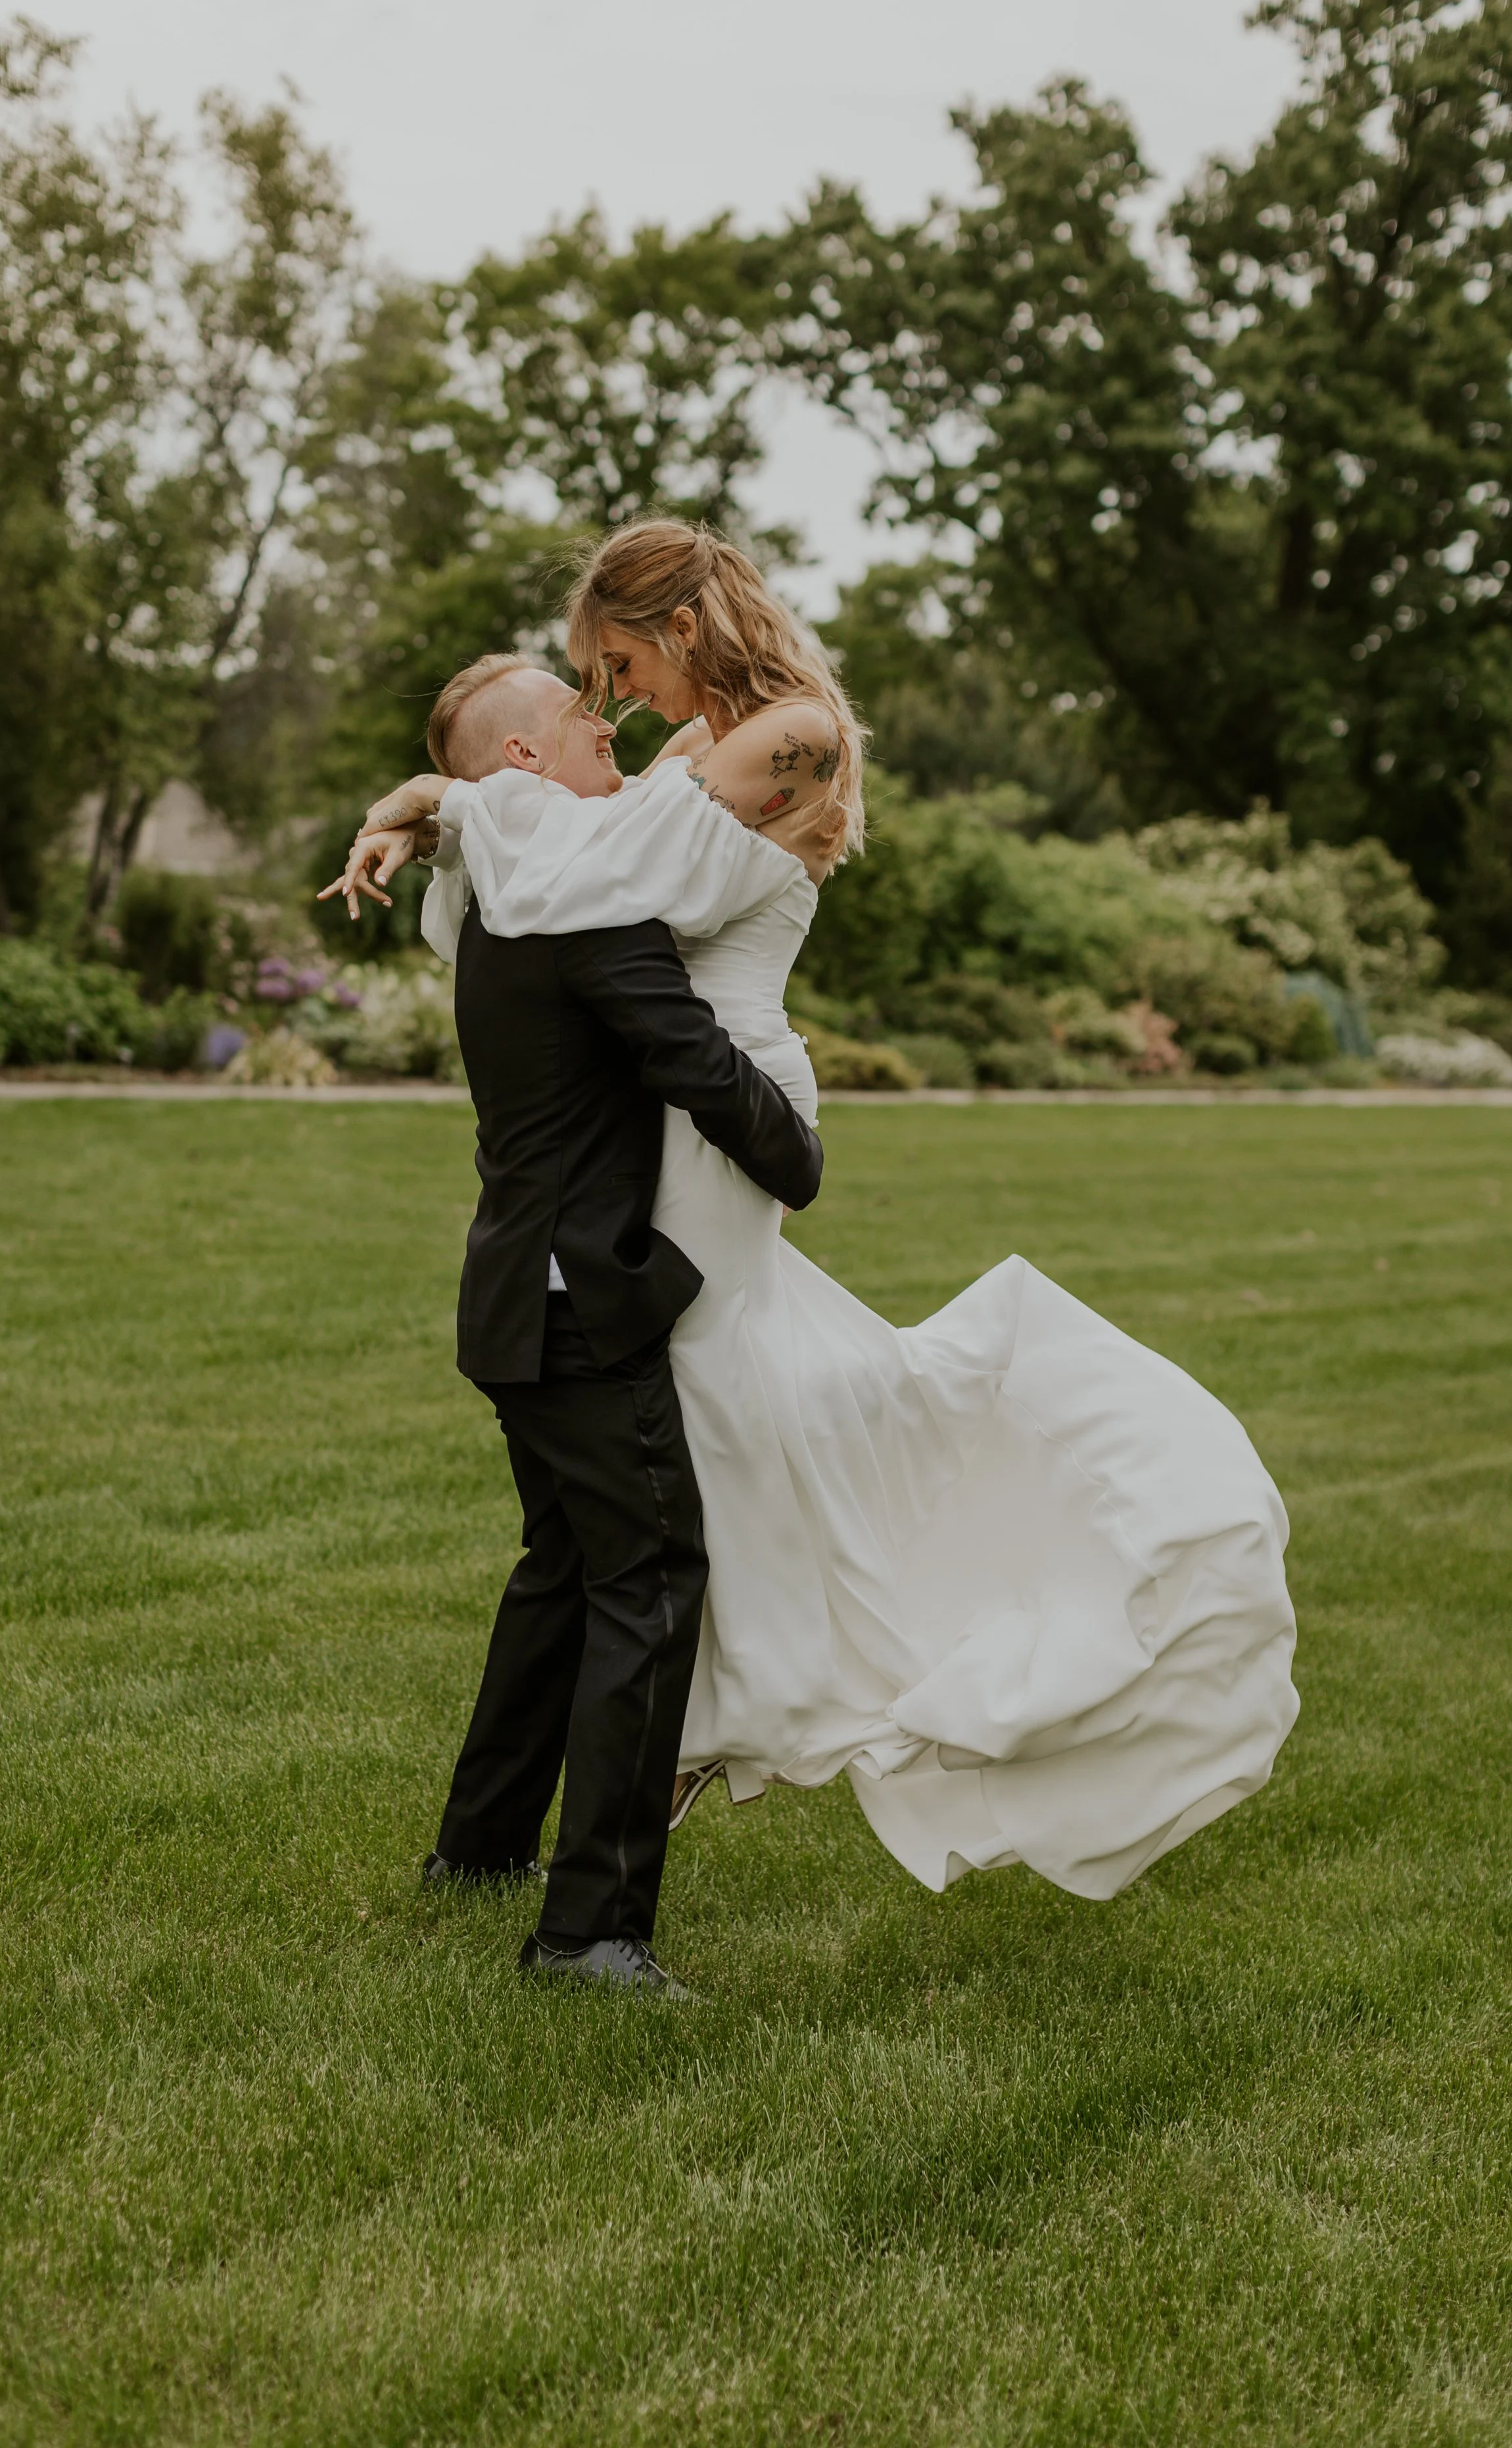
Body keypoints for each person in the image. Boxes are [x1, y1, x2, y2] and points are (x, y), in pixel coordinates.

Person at [336, 518, 1299, 1925]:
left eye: (616, 663)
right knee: (668, 1464)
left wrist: (451, 797)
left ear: (676, 622)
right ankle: (652, 1756)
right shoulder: (685, 753)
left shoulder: (787, 732)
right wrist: (437, 792)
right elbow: (573, 847)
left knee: (695, 1434)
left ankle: (688, 1733)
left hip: (721, 1101)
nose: (614, 698)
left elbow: (597, 878)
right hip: (664, 1107)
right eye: (588, 684)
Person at [324, 646, 835, 1999]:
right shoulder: (578, 907)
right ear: (519, 765)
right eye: (573, 714)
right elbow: (683, 1051)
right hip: (578, 1300)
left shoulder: (502, 889)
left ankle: (480, 1848)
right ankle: (586, 1931)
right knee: (650, 1580)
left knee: (562, 1570)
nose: (603, 721)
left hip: (514, 1296)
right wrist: (795, 1156)